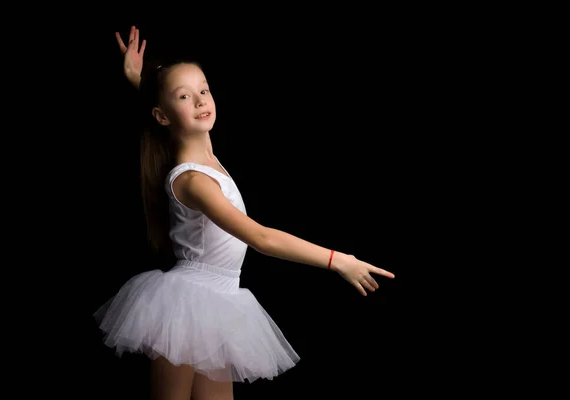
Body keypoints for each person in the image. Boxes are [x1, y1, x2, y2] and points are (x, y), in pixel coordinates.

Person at [94, 25, 395, 400]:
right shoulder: (192, 180)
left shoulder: (204, 158)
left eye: (203, 90)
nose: (201, 101)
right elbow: (261, 238)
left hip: (218, 301)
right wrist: (338, 260)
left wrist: (138, 79)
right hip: (187, 302)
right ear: (162, 116)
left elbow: (169, 109)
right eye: (185, 97)